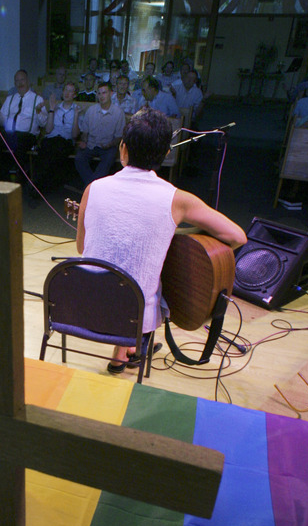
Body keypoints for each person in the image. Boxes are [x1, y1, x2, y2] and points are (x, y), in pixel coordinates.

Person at [75, 108, 246, 374]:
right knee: (146, 276)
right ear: (166, 154)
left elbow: (82, 249)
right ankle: (133, 343)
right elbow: (236, 237)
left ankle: (121, 355)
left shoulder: (93, 188)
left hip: (84, 306)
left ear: (122, 148)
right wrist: (173, 245)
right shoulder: (177, 199)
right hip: (137, 315)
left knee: (124, 270)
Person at [0, 69, 47, 183]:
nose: (20, 83)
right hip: (10, 133)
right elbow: (2, 122)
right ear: (15, 84)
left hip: (27, 135)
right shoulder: (10, 99)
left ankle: (19, 177)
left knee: (19, 140)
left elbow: (43, 123)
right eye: (17, 81)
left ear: (28, 81)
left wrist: (39, 112)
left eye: (22, 80)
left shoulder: (37, 99)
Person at [74, 81, 125, 186]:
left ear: (111, 94)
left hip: (108, 146)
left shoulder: (118, 112)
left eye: (104, 93)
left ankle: (90, 187)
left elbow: (119, 137)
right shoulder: (91, 110)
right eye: (99, 93)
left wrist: (110, 144)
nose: (101, 96)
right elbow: (85, 132)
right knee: (79, 158)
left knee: (108, 159)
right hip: (91, 144)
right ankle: (92, 186)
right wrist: (84, 141)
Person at [33, 82, 80, 191]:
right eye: (65, 90)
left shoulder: (77, 110)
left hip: (65, 141)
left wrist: (76, 115)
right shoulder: (56, 107)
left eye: (70, 91)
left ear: (75, 95)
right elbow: (48, 130)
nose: (67, 93)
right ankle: (41, 186)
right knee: (44, 150)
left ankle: (38, 187)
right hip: (51, 139)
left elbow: (74, 135)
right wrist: (51, 110)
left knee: (54, 151)